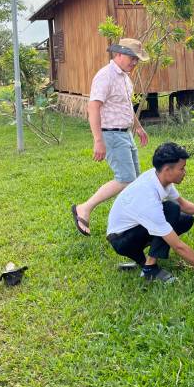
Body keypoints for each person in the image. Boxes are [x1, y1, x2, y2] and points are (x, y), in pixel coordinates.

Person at [105, 142, 194, 283]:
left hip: (132, 232)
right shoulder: (148, 196)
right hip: (122, 240)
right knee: (171, 209)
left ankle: (143, 262)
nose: (184, 172)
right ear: (167, 170)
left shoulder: (159, 178)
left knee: (185, 219)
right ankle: (150, 269)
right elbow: (178, 246)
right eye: (182, 169)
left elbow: (182, 204)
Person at [72, 38, 150, 237]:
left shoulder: (124, 77)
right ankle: (84, 208)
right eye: (132, 58)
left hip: (125, 134)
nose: (135, 63)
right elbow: (93, 107)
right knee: (124, 179)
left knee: (133, 182)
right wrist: (98, 140)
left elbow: (124, 107)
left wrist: (138, 127)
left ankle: (130, 221)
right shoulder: (105, 76)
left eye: (137, 60)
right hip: (111, 134)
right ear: (119, 55)